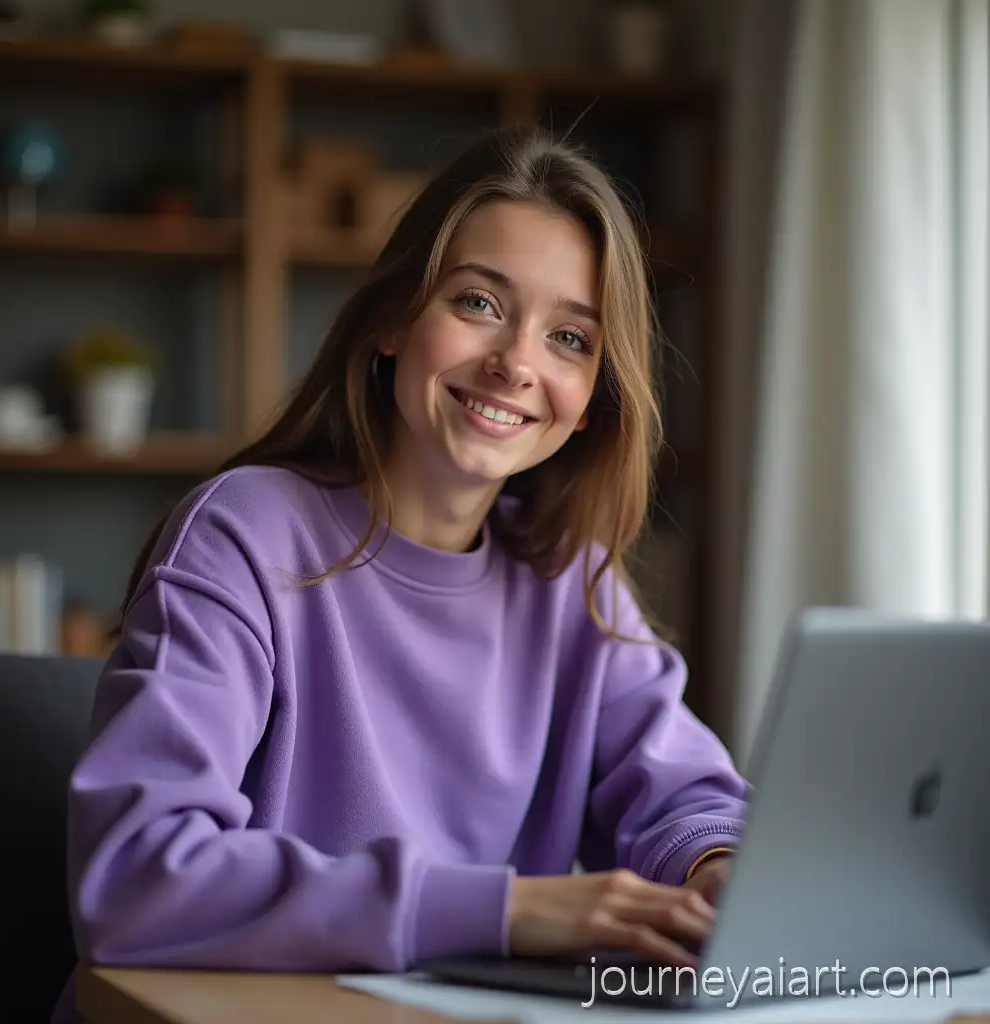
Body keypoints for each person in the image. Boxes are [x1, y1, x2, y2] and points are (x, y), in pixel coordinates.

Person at [51, 125, 749, 1023]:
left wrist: (719, 873)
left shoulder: (570, 579)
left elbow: (684, 793)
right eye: (478, 303)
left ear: (591, 404)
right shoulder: (248, 533)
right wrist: (506, 911)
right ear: (391, 320)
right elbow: (137, 874)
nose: (518, 363)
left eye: (571, 337)